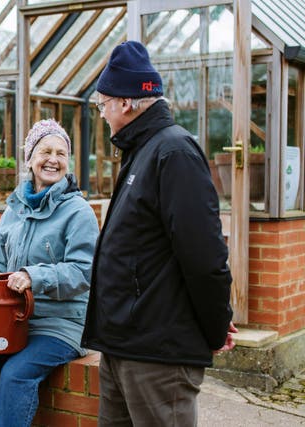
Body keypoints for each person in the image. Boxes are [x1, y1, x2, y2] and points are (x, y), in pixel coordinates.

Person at [80, 40, 237, 426]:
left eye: (103, 104)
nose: (101, 113)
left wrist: (216, 325)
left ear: (126, 103)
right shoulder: (142, 150)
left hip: (157, 355)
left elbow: (204, 257)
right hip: (123, 346)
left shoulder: (173, 153)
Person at [0, 118, 99, 427]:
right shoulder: (13, 210)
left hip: (62, 324)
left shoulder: (78, 212)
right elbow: (0, 269)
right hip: (15, 322)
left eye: (60, 153)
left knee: (16, 373)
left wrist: (33, 276)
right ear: (29, 158)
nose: (53, 159)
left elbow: (83, 272)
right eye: (45, 151)